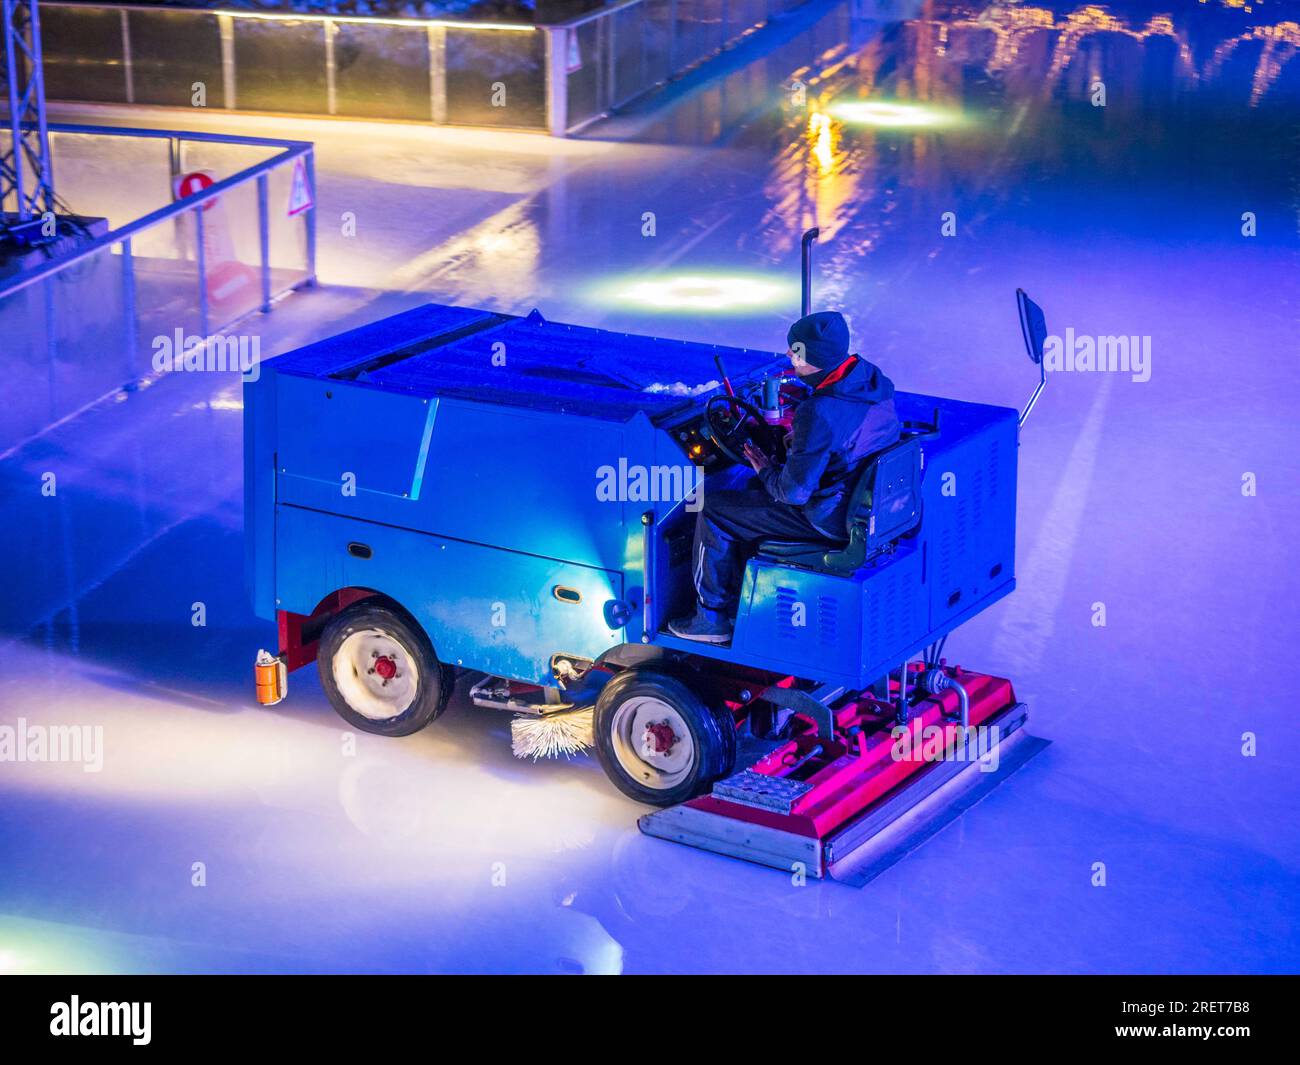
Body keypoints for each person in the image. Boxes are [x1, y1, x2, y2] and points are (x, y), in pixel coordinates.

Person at [667, 311, 901, 644]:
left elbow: (792, 493)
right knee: (749, 493)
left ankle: (711, 618)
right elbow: (842, 442)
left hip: (829, 517)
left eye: (798, 351)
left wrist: (764, 467)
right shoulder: (871, 383)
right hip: (865, 506)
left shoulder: (819, 411)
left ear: (819, 358)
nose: (790, 356)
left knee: (715, 509)